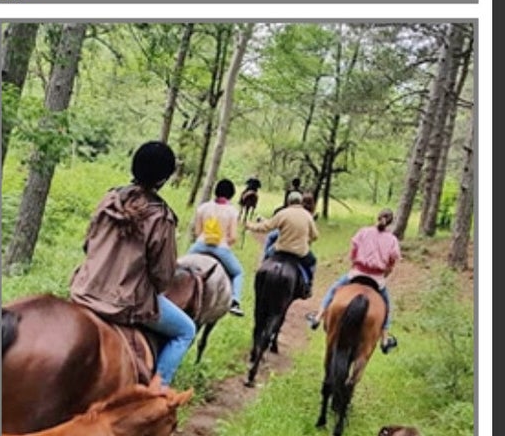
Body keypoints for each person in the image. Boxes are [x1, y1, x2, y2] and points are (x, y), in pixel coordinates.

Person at [69, 141, 197, 387]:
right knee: (186, 330)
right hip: (125, 302)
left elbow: (88, 244)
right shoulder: (161, 216)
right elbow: (162, 276)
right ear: (164, 178)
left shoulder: (109, 198)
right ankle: (157, 391)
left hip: (85, 288)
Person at [305, 209, 401, 353]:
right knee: (387, 306)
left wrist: (355, 263)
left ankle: (318, 317)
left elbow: (353, 252)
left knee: (333, 289)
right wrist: (385, 272)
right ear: (390, 222)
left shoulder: (364, 232)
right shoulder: (392, 240)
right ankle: (385, 338)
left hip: (357, 273)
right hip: (377, 279)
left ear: (378, 217)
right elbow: (392, 261)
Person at [187, 178, 246, 316]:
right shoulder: (232, 211)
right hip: (221, 248)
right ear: (231, 194)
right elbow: (232, 237)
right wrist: (226, 244)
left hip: (200, 245)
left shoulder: (203, 208)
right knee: (238, 273)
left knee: (180, 264)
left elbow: (197, 232)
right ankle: (235, 301)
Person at [245, 191, 319, 297]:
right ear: (300, 202)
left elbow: (266, 227)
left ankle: (260, 271)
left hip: (280, 249)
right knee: (312, 262)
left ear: (289, 202)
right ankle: (308, 286)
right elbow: (315, 236)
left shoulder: (283, 213)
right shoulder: (307, 216)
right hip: (299, 252)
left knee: (267, 257)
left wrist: (250, 226)